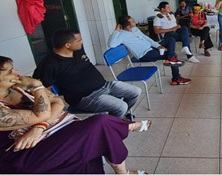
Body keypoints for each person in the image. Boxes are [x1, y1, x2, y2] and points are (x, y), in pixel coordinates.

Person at [0, 56, 151, 174]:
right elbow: (43, 113)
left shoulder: (19, 89)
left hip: (49, 131)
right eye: (9, 71)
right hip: (27, 152)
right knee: (101, 123)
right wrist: (36, 85)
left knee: (92, 149)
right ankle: (126, 135)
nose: (17, 72)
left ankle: (123, 166)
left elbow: (58, 102)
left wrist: (40, 126)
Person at [33, 28, 141, 119]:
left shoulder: (77, 50)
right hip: (85, 98)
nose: (82, 42)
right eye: (79, 40)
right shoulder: (49, 64)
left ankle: (119, 117)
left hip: (104, 85)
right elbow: (42, 89)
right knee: (120, 106)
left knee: (135, 91)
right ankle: (113, 127)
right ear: (67, 45)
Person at [109, 15, 191, 86]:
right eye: (133, 21)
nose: (135, 22)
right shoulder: (121, 35)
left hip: (151, 48)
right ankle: (176, 78)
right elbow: (111, 44)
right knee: (173, 55)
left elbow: (147, 38)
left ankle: (171, 58)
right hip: (144, 55)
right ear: (127, 26)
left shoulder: (135, 29)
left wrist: (158, 46)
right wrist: (116, 31)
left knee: (171, 40)